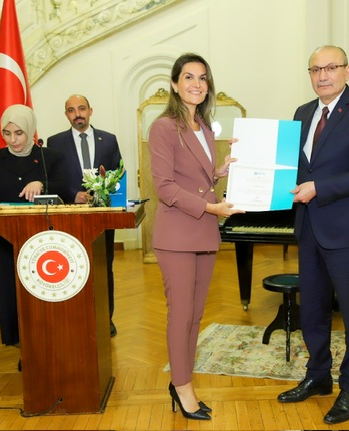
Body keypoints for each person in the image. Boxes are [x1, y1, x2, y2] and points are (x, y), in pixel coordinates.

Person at [278, 45, 349, 425]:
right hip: (308, 228)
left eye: (330, 68)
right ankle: (318, 375)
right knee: (312, 311)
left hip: (347, 231)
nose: (322, 75)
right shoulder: (302, 113)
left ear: (346, 70)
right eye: (315, 70)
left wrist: (319, 188)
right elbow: (293, 168)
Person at [148, 52, 242, 421]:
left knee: (196, 315)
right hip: (177, 234)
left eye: (203, 78)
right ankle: (182, 386)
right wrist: (211, 207)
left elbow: (195, 178)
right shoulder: (163, 127)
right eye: (188, 77)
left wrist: (220, 170)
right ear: (175, 84)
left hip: (203, 231)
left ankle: (183, 381)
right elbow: (164, 187)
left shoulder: (203, 126)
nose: (196, 84)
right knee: (181, 314)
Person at [0, 104, 71, 348]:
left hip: (43, 238)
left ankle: (48, 338)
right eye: (7, 133)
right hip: (8, 237)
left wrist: (41, 184)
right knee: (12, 291)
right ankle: (20, 341)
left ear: (30, 131)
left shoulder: (49, 157)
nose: (13, 140)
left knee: (42, 289)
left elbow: (64, 188)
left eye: (19, 133)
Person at [47, 94, 122, 337]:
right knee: (73, 268)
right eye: (71, 110)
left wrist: (103, 192)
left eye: (81, 108)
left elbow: (118, 175)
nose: (77, 114)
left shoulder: (108, 140)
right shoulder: (55, 142)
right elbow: (53, 180)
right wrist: (73, 194)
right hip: (70, 216)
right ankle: (77, 319)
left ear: (90, 110)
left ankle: (106, 318)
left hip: (101, 215)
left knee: (103, 267)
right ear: (66, 114)